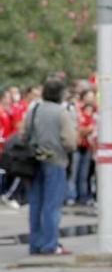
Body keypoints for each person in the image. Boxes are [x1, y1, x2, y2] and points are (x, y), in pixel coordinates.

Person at [26, 78, 77, 254]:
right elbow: (70, 140)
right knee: (52, 204)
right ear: (60, 94)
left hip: (34, 159)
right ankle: (50, 244)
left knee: (36, 203)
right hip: (55, 159)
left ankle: (36, 243)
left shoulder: (34, 110)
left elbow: (23, 133)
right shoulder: (61, 112)